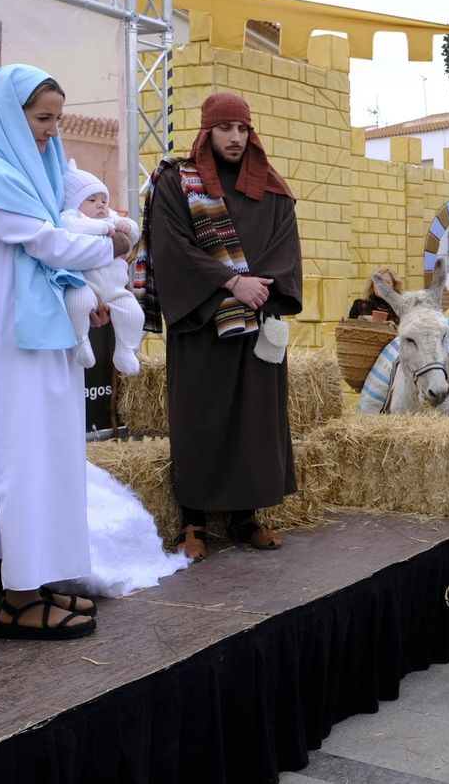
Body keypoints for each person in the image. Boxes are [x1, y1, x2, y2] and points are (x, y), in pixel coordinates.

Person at [0, 64, 129, 638]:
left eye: (58, 120)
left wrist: (90, 273)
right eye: (43, 119)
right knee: (16, 456)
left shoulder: (28, 172)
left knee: (45, 453)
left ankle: (39, 579)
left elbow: (51, 248)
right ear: (6, 115)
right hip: (2, 340)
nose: (51, 131)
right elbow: (44, 243)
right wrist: (111, 241)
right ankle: (17, 599)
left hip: (33, 335)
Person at [144, 92, 302, 562]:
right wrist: (230, 282)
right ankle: (194, 522)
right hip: (202, 321)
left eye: (242, 129)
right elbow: (170, 245)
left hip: (255, 322)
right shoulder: (177, 182)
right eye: (225, 129)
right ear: (206, 132)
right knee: (201, 420)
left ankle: (245, 518)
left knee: (255, 422)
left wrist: (256, 288)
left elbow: (284, 248)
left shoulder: (272, 188)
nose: (235, 138)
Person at [59, 163, 143, 375]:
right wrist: (104, 228)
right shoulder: (73, 217)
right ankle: (80, 340)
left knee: (134, 312)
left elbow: (133, 232)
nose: (101, 205)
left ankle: (126, 349)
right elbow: (70, 227)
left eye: (104, 200)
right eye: (92, 200)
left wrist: (127, 227)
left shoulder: (110, 217)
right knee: (77, 303)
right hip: (85, 285)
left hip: (116, 288)